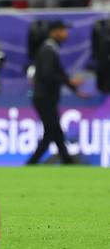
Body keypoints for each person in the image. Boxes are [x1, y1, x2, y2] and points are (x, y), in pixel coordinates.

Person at [27, 21, 85, 165]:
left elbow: (56, 73)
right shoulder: (48, 49)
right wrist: (70, 83)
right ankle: (34, 163)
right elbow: (48, 75)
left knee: (53, 131)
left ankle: (66, 161)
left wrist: (74, 89)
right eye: (63, 30)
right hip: (44, 97)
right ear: (54, 32)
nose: (66, 34)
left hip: (45, 97)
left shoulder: (50, 48)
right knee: (52, 131)